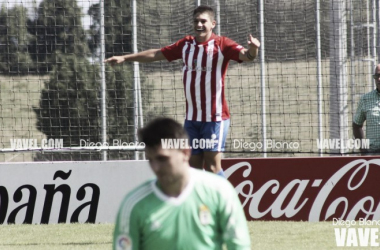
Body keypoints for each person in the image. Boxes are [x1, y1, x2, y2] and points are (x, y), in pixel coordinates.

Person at [104, 5, 260, 176]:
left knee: (213, 168)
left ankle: (227, 202)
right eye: (196, 21)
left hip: (215, 119)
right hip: (192, 120)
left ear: (213, 24)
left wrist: (254, 48)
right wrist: (125, 58)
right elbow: (156, 54)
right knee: (192, 169)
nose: (199, 25)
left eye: (203, 21)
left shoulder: (222, 44)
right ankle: (198, 203)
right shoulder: (186, 45)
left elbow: (247, 56)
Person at [113, 117, 251, 250]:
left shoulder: (220, 192)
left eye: (162, 159)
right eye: (150, 160)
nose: (155, 167)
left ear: (185, 152)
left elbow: (240, 246)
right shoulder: (133, 204)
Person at [352, 64, 380, 155]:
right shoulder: (365, 99)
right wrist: (363, 150)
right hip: (373, 153)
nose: (378, 79)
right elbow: (356, 125)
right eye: (376, 76)